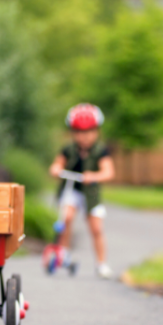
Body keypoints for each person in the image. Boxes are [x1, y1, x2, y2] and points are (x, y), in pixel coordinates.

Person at [49, 103, 116, 278]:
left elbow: (108, 172)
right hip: (72, 190)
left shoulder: (101, 151)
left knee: (96, 228)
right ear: (73, 132)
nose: (83, 137)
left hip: (90, 194)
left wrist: (94, 176)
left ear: (96, 131)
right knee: (66, 219)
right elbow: (57, 164)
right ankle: (63, 254)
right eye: (79, 132)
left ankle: (101, 264)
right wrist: (56, 169)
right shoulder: (69, 149)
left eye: (88, 132)